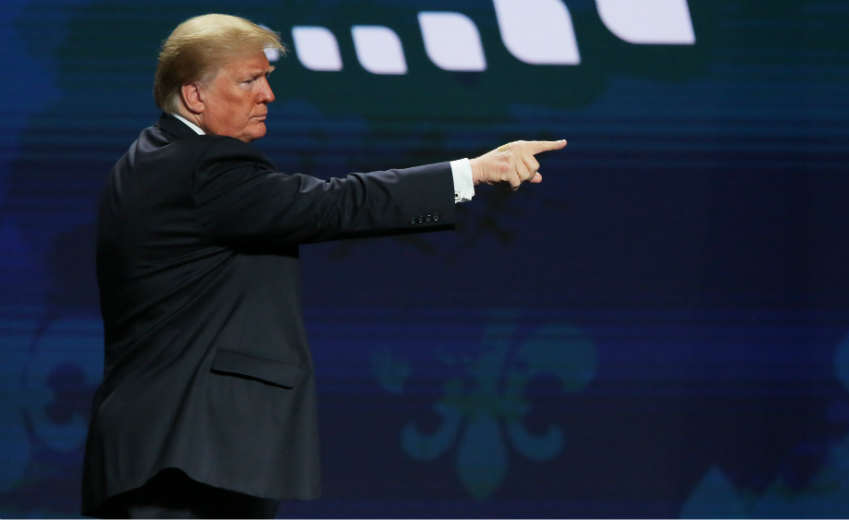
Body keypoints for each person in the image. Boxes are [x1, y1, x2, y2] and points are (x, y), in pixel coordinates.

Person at [81, 13, 566, 518]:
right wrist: (473, 172)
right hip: (191, 453)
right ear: (194, 95)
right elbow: (335, 203)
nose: (267, 95)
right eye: (249, 81)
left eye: (266, 78)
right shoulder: (204, 167)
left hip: (159, 446)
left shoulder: (145, 158)